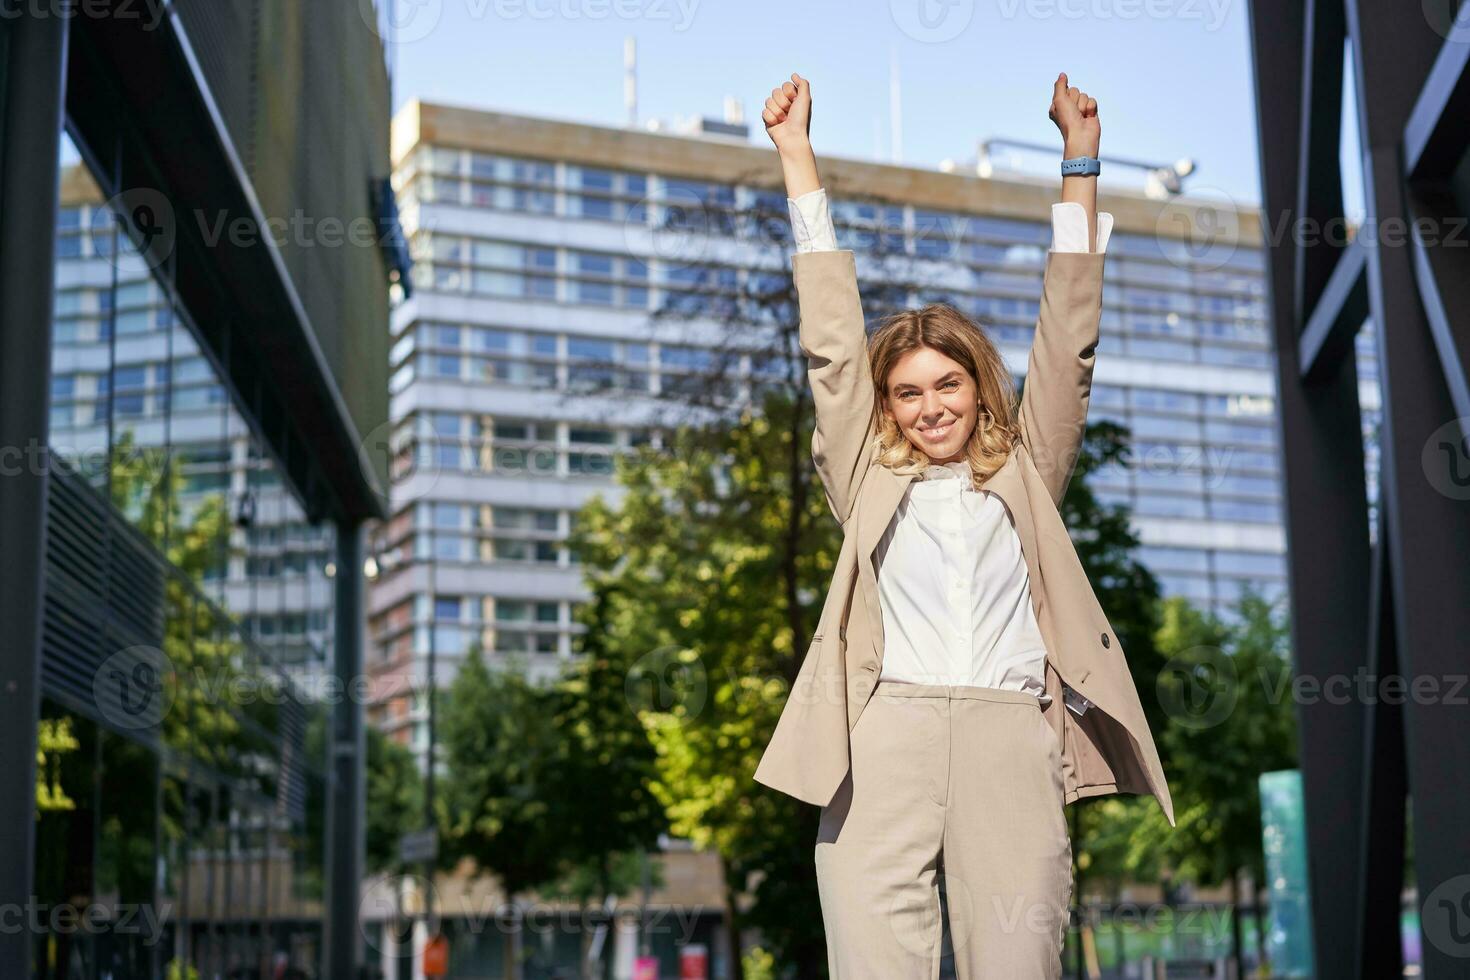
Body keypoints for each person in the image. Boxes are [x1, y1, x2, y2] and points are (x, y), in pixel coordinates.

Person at [753, 72, 1173, 978]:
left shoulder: (1027, 471)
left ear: (979, 386)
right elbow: (831, 347)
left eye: (947, 384)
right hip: (882, 745)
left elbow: (1068, 338)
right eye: (907, 392)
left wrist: (1080, 162)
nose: (930, 406)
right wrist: (798, 160)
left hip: (1008, 745)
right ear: (889, 407)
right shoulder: (864, 476)